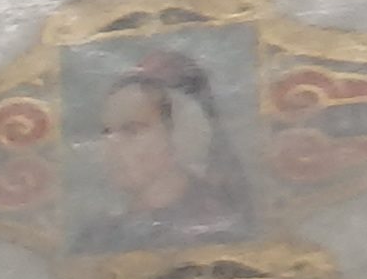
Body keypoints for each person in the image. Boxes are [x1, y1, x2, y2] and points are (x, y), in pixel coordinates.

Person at [79, 45, 254, 250]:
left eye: (131, 130)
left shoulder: (219, 226)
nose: (111, 146)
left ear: (178, 133)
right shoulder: (97, 237)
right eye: (106, 132)